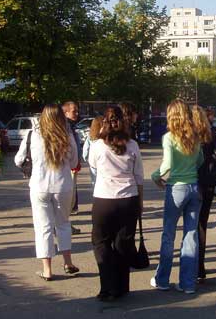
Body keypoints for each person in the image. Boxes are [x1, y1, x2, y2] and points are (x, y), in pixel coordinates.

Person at [14, 104, 80, 281]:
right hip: (63, 186)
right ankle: (68, 262)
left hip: (39, 186)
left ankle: (47, 269)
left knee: (43, 228)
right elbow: (74, 162)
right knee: (63, 224)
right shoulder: (67, 135)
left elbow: (18, 159)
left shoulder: (33, 135)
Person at [89, 106, 144, 301]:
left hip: (104, 199)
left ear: (105, 122)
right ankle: (122, 286)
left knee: (101, 242)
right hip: (128, 199)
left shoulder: (97, 146)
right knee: (123, 242)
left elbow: (93, 165)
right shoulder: (133, 145)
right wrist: (140, 202)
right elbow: (139, 178)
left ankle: (107, 286)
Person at [151, 99, 203, 294]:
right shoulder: (195, 136)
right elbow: (201, 160)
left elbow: (167, 164)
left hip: (176, 188)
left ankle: (162, 279)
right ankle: (187, 283)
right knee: (191, 235)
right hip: (193, 187)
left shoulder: (169, 137)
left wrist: (155, 176)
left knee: (168, 234)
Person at [192, 106, 216, 283]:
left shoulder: (191, 139)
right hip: (208, 183)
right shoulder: (209, 136)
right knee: (201, 225)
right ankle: (199, 267)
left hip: (194, 183)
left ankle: (193, 266)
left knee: (191, 227)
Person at [62, 101, 82, 234]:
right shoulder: (65, 127)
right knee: (68, 199)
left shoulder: (71, 126)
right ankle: (63, 224)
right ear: (65, 112)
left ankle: (65, 222)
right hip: (68, 167)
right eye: (74, 111)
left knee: (71, 198)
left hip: (73, 166)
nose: (77, 113)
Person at [82, 115, 104, 187]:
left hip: (93, 161)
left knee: (95, 181)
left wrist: (85, 158)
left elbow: (86, 148)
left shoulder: (91, 136)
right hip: (104, 160)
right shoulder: (105, 136)